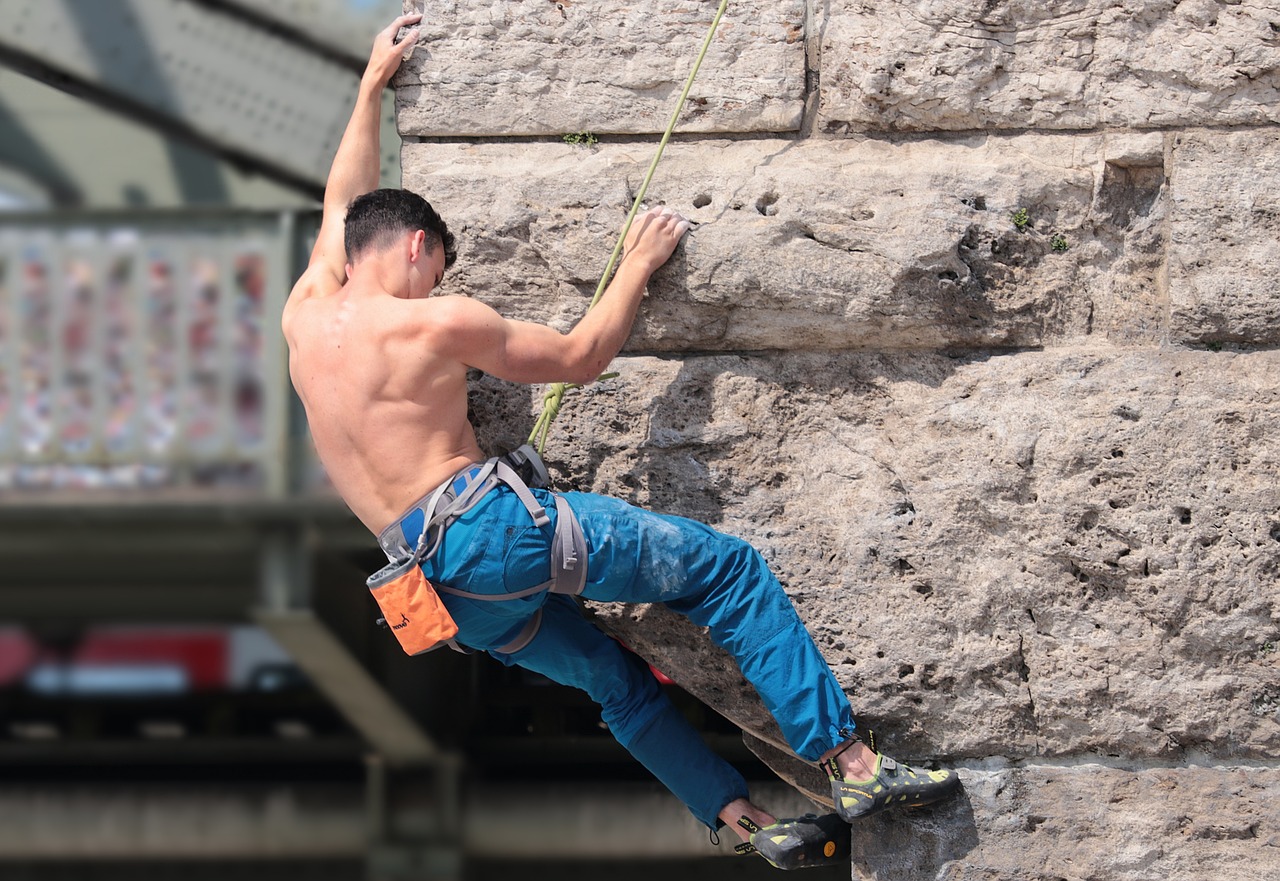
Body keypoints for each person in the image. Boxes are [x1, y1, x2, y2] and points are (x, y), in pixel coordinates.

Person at [282, 13, 959, 869]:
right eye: (438, 267)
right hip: (491, 538)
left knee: (615, 683)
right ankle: (853, 765)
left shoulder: (304, 313)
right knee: (726, 570)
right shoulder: (434, 322)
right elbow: (580, 357)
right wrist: (637, 262)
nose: (437, 285)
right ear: (420, 248)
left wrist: (371, 85)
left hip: (434, 593)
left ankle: (748, 824)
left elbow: (342, 198)